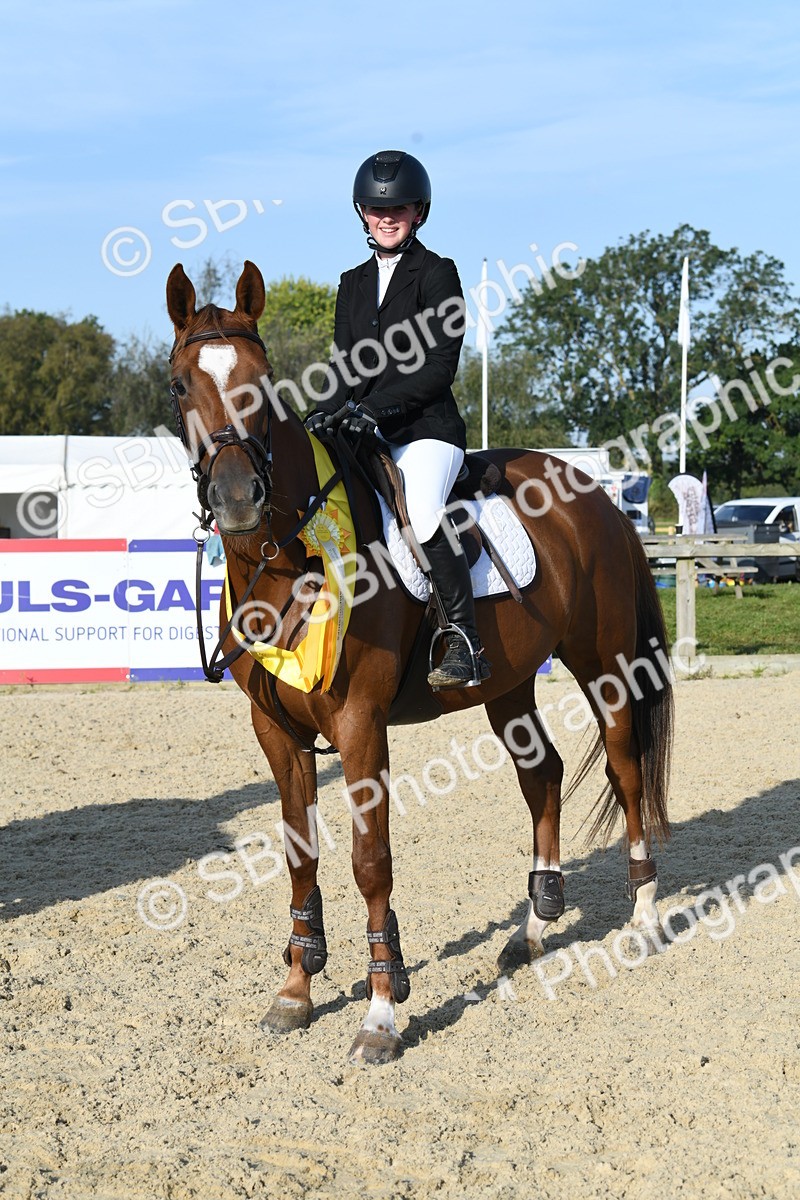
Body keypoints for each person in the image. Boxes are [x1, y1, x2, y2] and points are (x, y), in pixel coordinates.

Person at [305, 150, 490, 689]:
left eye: (398, 209)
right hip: (363, 429)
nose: (387, 218)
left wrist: (376, 408)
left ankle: (465, 642)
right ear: (362, 213)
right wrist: (322, 413)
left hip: (425, 430)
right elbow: (345, 367)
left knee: (424, 513)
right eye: (376, 209)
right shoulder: (352, 281)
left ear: (418, 212)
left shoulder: (438, 273)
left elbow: (440, 367)